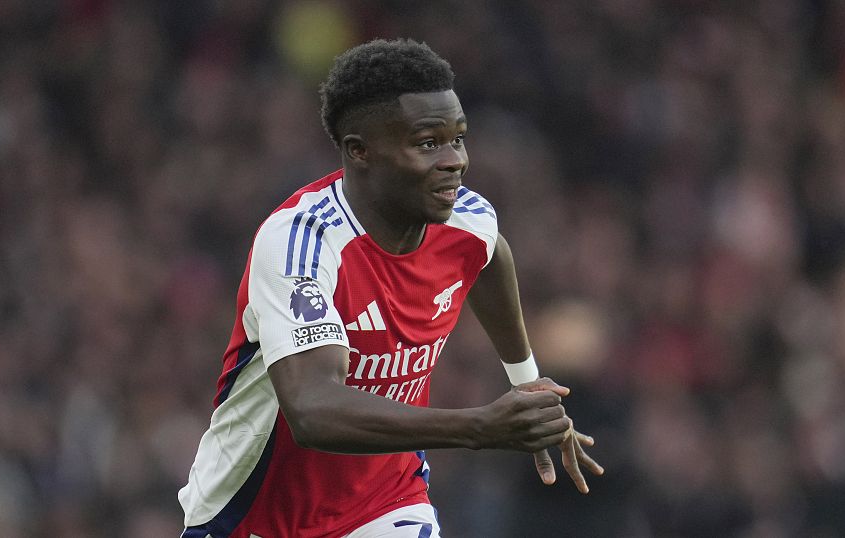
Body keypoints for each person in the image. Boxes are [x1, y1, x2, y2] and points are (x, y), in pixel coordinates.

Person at [178, 38, 603, 538]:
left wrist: (525, 380)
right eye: (428, 143)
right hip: (252, 517)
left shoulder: (466, 219)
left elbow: (490, 257)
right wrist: (478, 427)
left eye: (458, 138)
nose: (455, 161)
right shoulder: (301, 246)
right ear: (360, 151)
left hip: (385, 504)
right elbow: (313, 410)